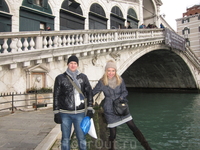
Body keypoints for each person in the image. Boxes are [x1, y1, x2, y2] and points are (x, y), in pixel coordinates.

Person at [92, 60, 152, 150]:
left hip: (121, 107)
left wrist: (120, 98)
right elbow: (92, 92)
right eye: (109, 70)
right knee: (113, 133)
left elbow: (125, 92)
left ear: (115, 71)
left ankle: (148, 148)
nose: (111, 73)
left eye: (113, 70)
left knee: (133, 126)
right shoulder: (102, 82)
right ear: (106, 71)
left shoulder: (120, 79)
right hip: (110, 110)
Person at [53, 55, 94, 150]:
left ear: (78, 65)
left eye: (75, 63)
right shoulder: (60, 78)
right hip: (65, 113)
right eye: (71, 63)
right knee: (65, 139)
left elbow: (89, 93)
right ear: (67, 64)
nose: (73, 65)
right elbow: (56, 96)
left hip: (79, 113)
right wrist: (56, 112)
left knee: (82, 139)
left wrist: (90, 108)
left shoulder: (83, 77)